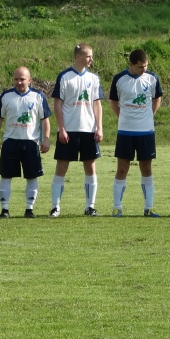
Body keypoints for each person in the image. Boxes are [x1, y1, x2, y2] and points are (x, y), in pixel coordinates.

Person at [49, 43, 104, 217]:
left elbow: (97, 104)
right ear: (78, 57)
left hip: (89, 130)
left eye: (92, 56)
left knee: (90, 166)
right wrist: (62, 129)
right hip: (69, 130)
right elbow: (57, 105)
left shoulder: (94, 78)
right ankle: (55, 206)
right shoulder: (65, 77)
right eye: (88, 56)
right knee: (62, 166)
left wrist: (99, 127)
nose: (91, 59)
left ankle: (90, 206)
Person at [0, 67, 51, 218]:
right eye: (16, 79)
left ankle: (29, 210)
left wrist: (46, 139)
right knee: (6, 176)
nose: (19, 82)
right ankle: (4, 210)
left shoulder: (38, 96)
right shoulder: (6, 96)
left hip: (30, 142)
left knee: (32, 176)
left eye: (22, 79)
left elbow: (45, 119)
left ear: (29, 80)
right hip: (10, 142)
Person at [109, 49, 163, 217]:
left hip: (146, 131)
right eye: (140, 67)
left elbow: (156, 99)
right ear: (131, 64)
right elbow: (113, 102)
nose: (143, 70)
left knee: (146, 168)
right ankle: (117, 207)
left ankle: (149, 207)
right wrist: (123, 117)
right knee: (122, 168)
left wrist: (149, 116)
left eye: (145, 66)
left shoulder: (152, 78)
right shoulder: (119, 79)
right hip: (125, 131)